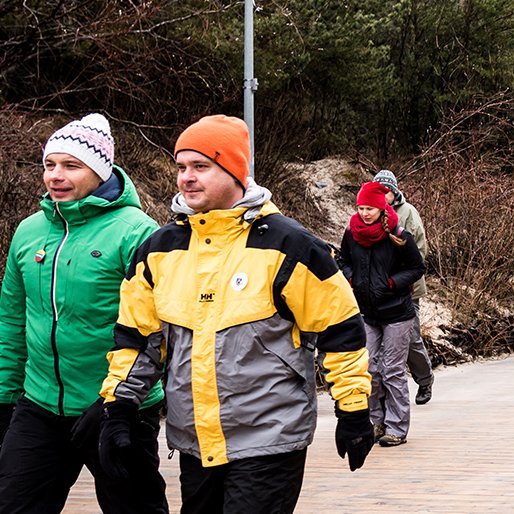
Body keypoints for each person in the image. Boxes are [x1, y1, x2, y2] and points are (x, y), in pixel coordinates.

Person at [91, 115, 374, 512]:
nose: (187, 177)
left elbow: (340, 330)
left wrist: (353, 408)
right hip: (194, 442)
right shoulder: (159, 249)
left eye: (201, 166)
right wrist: (119, 408)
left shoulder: (289, 244)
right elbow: (137, 341)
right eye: (181, 167)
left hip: (269, 438)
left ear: (235, 170)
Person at [0, 114, 168, 513]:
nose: (56, 176)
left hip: (116, 410)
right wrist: (5, 399)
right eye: (49, 165)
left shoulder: (137, 232)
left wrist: (119, 401)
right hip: (39, 406)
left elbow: (158, 329)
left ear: (100, 170)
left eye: (71, 166)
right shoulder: (29, 231)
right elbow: (12, 318)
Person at [338, 182, 426, 447]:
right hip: (366, 312)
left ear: (381, 208)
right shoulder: (351, 233)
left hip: (397, 312)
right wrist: (352, 279)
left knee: (392, 370)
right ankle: (376, 423)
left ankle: (396, 427)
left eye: (370, 208)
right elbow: (343, 261)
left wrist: (390, 284)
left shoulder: (399, 235)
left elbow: (416, 268)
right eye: (361, 208)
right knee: (369, 369)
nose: (365, 213)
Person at [373, 170, 435, 405]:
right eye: (379, 190)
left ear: (394, 191)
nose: (383, 195)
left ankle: (425, 378)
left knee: (410, 338)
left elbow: (419, 249)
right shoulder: (371, 212)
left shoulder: (408, 213)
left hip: (406, 288)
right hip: (378, 289)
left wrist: (400, 275)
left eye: (386, 190)